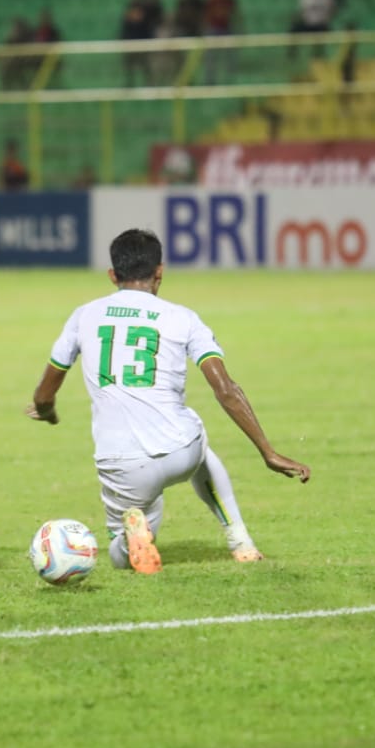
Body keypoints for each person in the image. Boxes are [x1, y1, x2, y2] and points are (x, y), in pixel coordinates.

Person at [24, 228, 310, 573]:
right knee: (196, 434)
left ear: (113, 275)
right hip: (180, 452)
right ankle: (240, 541)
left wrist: (48, 412)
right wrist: (267, 451)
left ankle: (131, 536)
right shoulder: (184, 318)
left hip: (121, 465)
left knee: (121, 552)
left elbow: (43, 394)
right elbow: (226, 390)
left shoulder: (84, 315)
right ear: (159, 272)